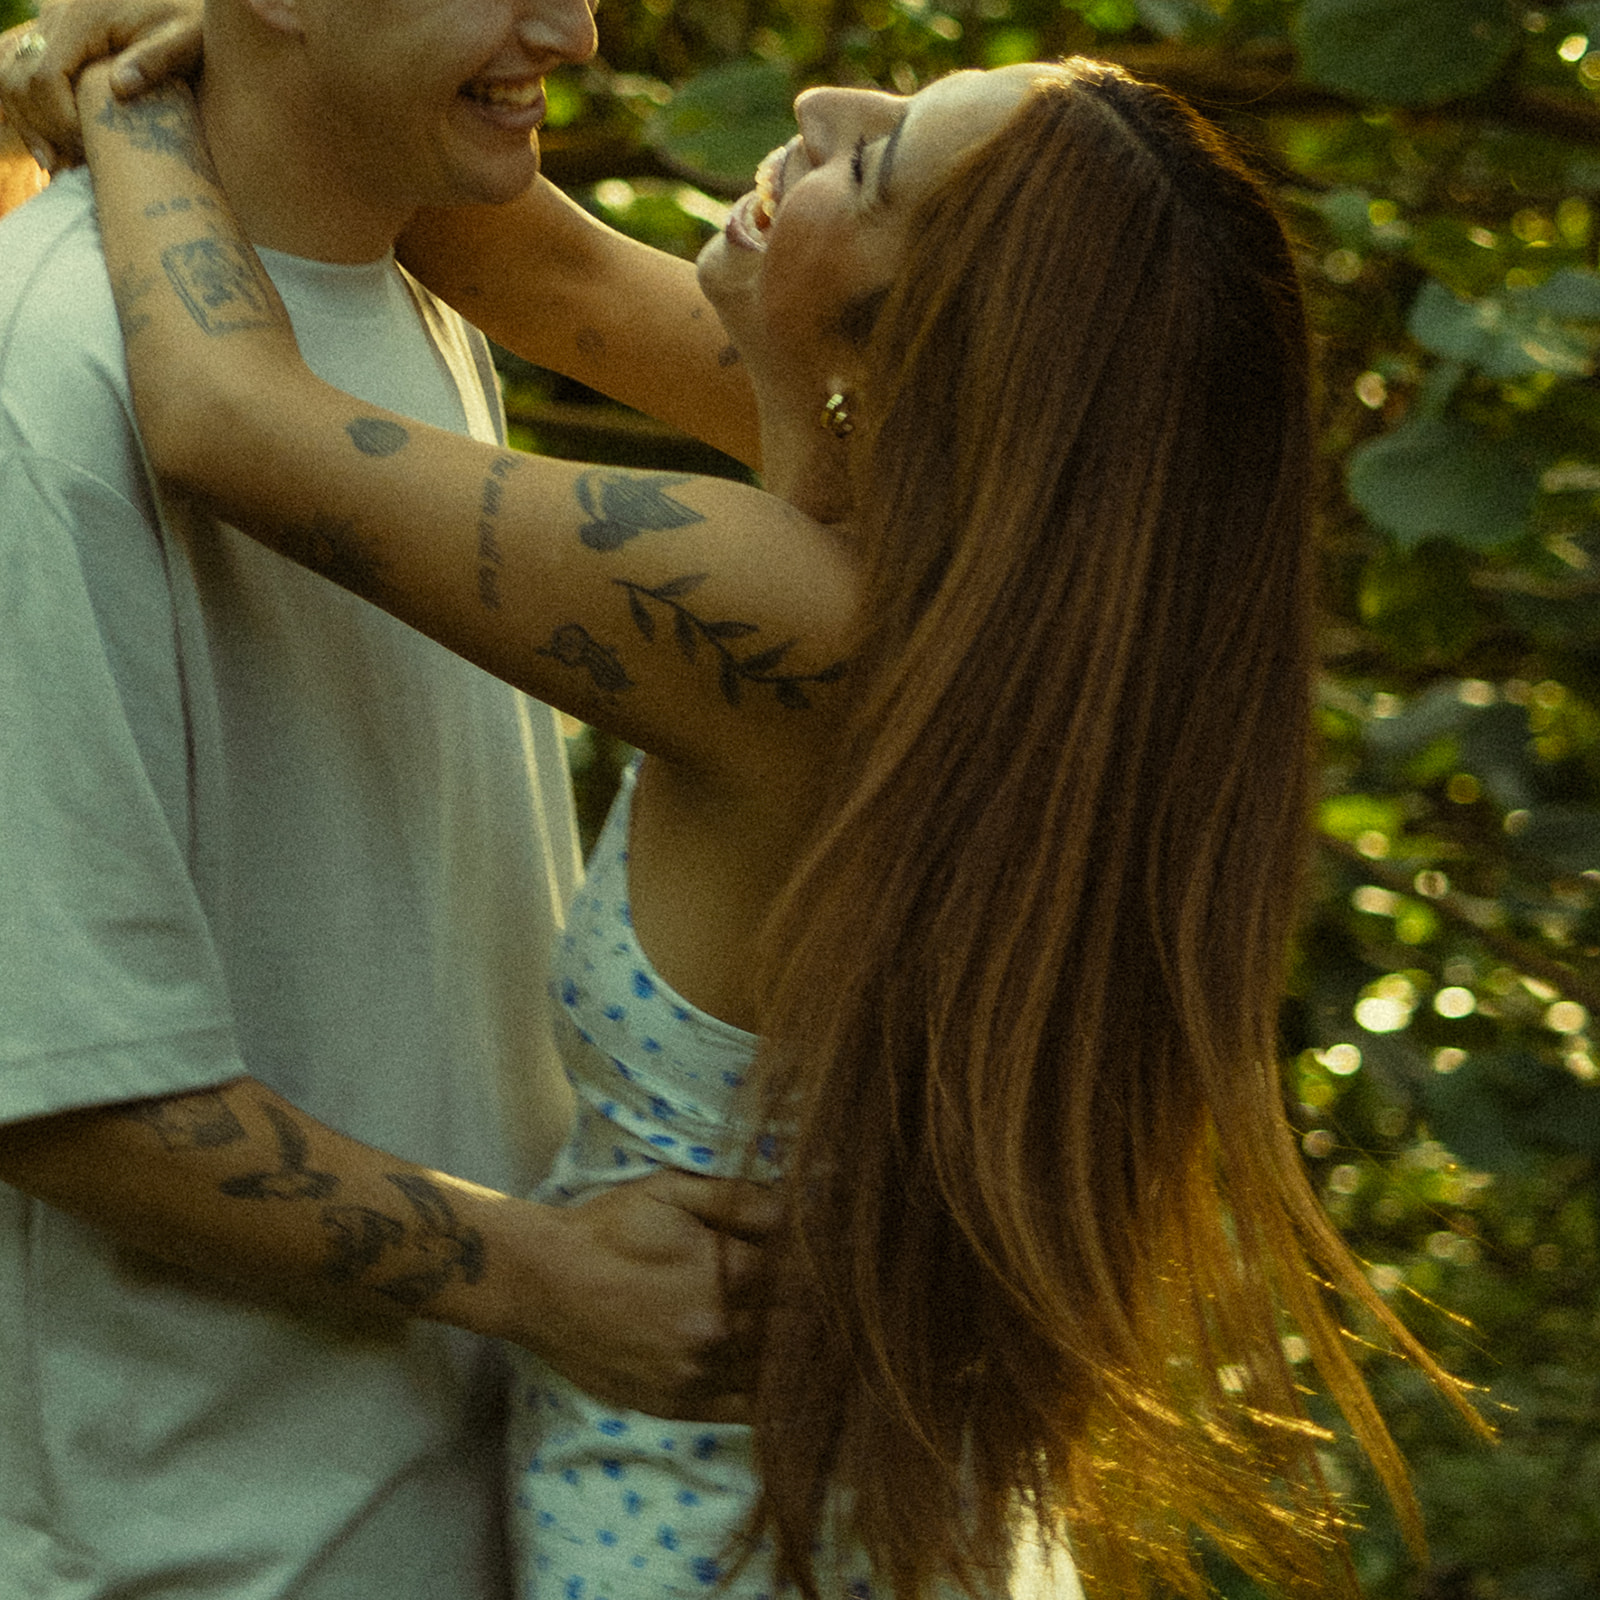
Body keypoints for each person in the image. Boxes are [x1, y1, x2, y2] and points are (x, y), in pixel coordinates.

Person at [72, 46, 1491, 1600]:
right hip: (887, 1519)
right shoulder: (1011, 573)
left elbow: (219, 415)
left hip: (727, 1548)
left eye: (874, 166)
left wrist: (118, 87)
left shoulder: (792, 616)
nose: (826, 112)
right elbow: (522, 258)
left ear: (925, 342)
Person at [0, 1, 773, 1596]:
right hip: (221, 1551)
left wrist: (132, 90)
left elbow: (242, 410)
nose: (578, 29)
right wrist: (547, 1277)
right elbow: (56, 1084)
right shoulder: (52, 379)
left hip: (481, 1503)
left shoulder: (363, 307)